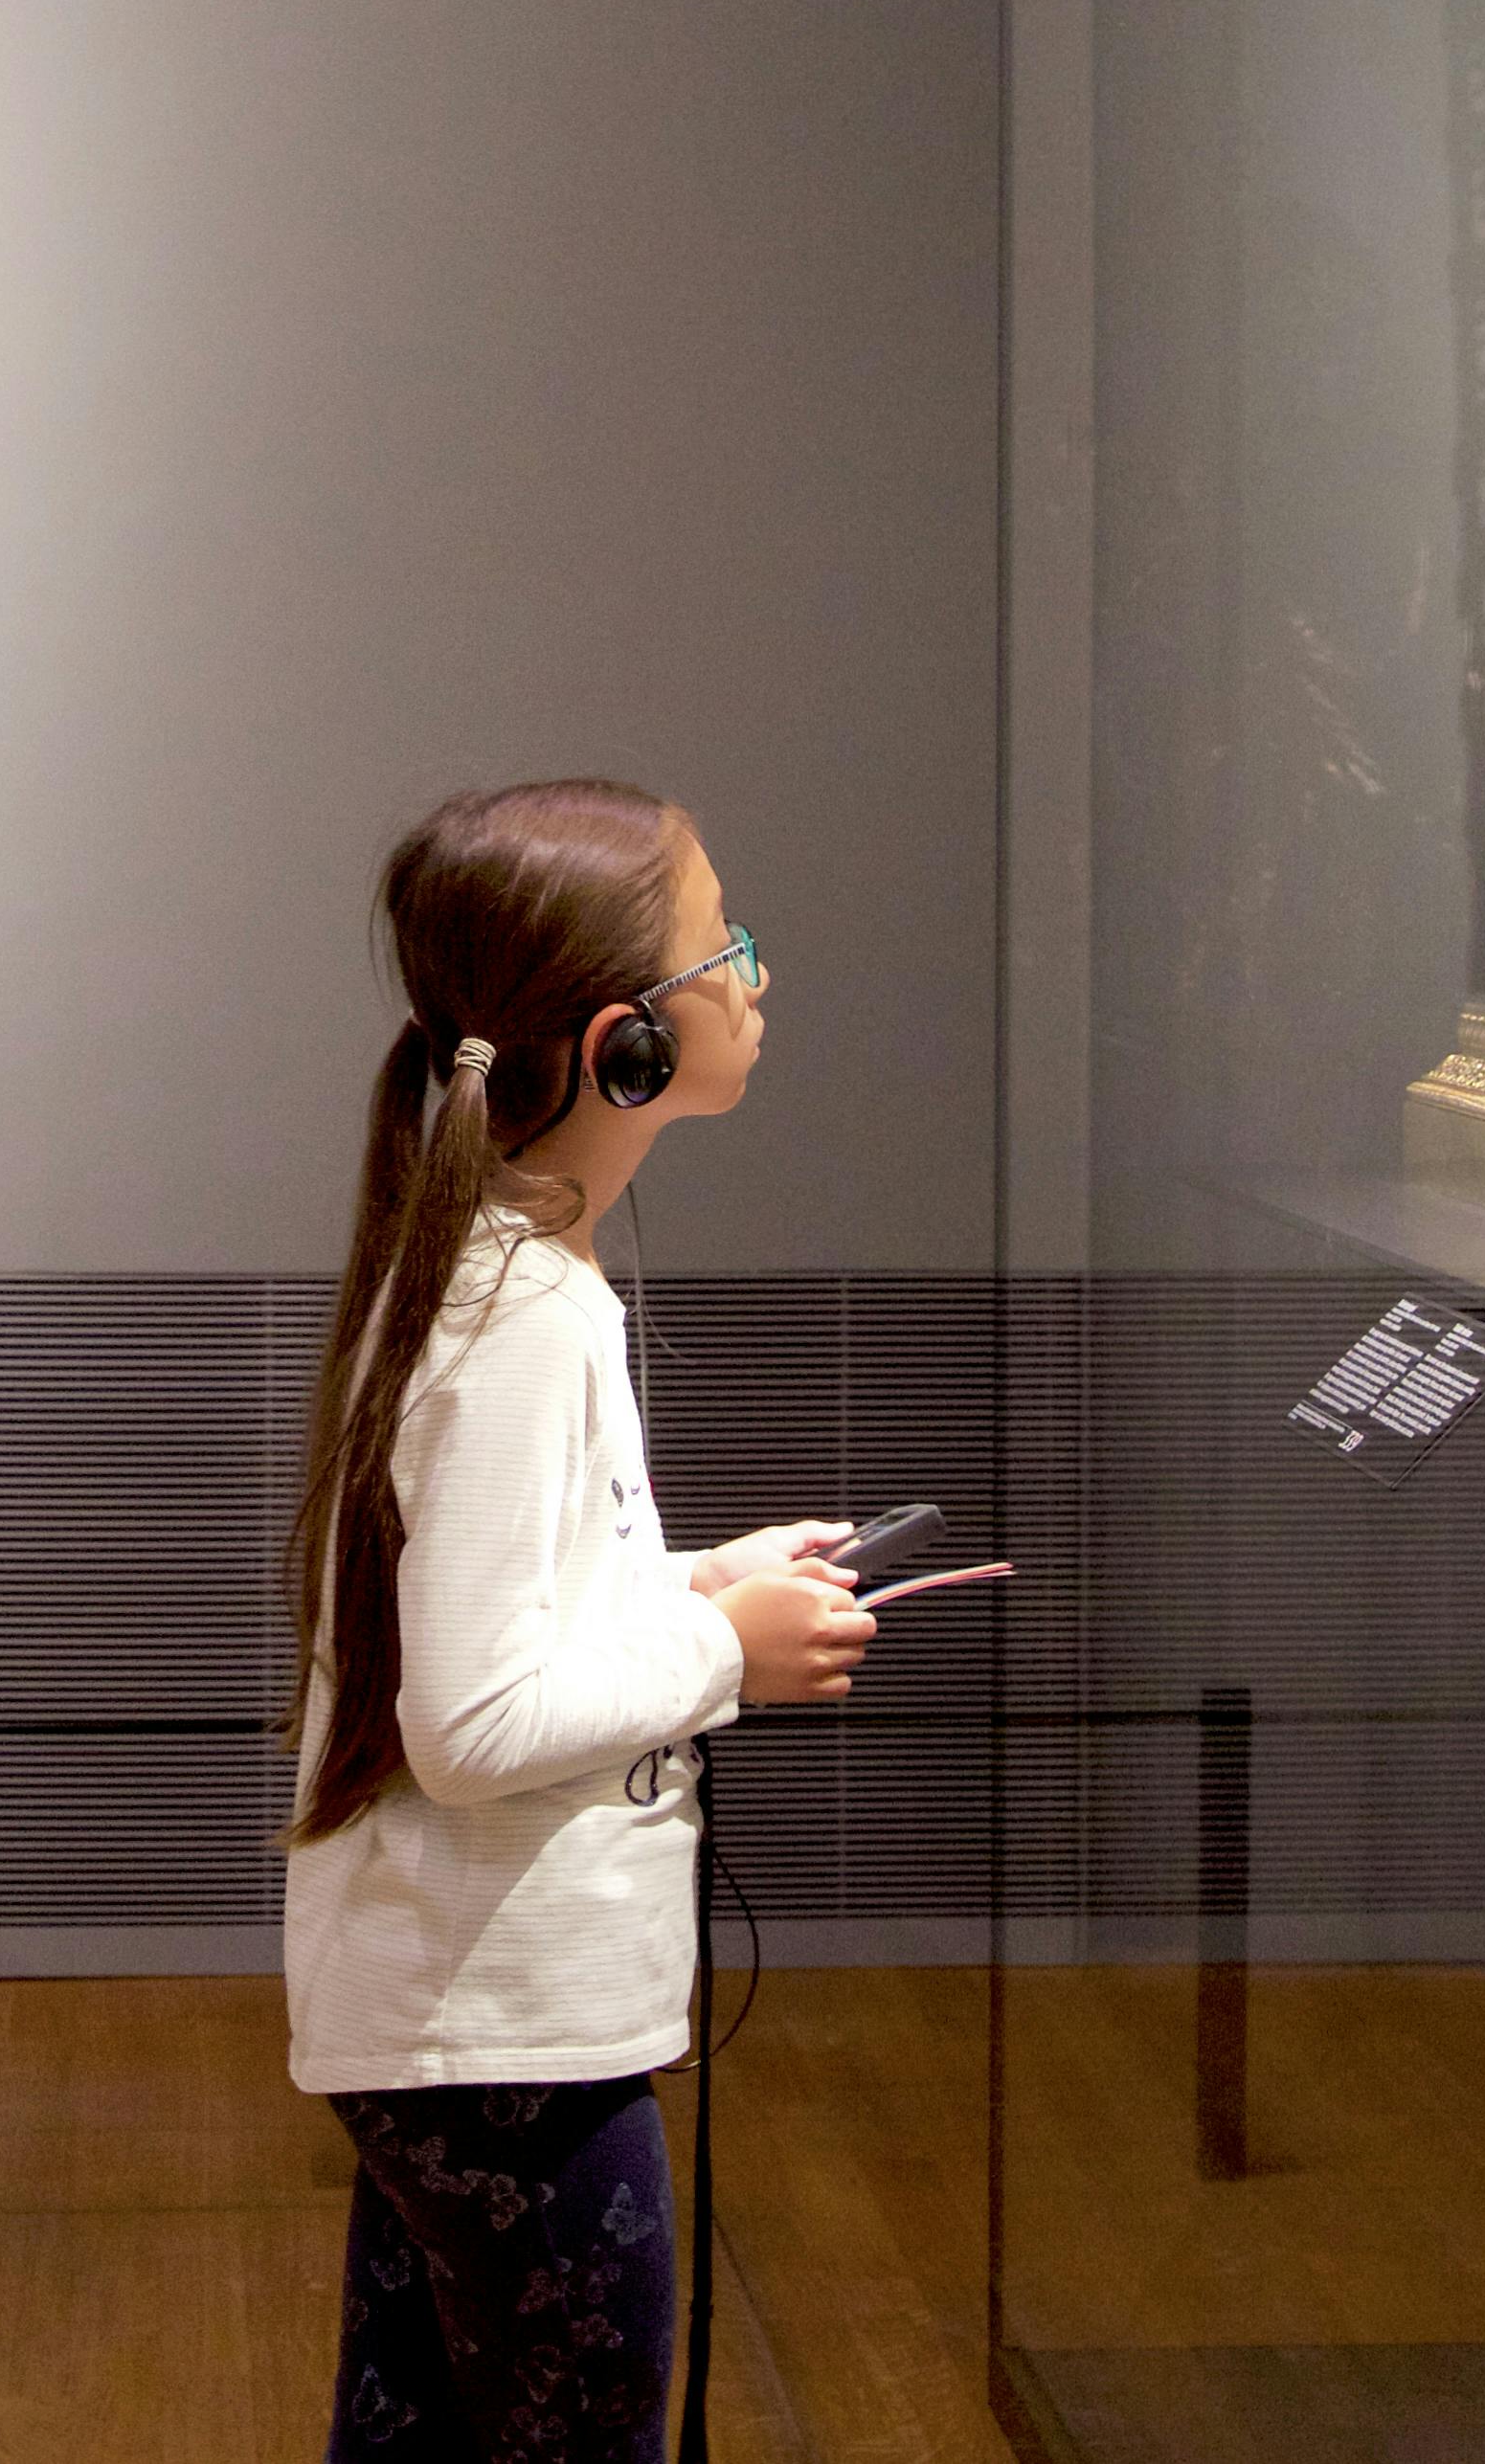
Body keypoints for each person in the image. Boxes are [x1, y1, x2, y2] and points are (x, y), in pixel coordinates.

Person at [279, 779, 879, 2460]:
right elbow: (471, 1724)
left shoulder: (492, 1269)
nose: (757, 973)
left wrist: (694, 1581)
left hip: (461, 2037)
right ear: (628, 1044)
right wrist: (726, 1651)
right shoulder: (521, 1313)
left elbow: (497, 1619)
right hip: (501, 2052)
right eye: (726, 943)